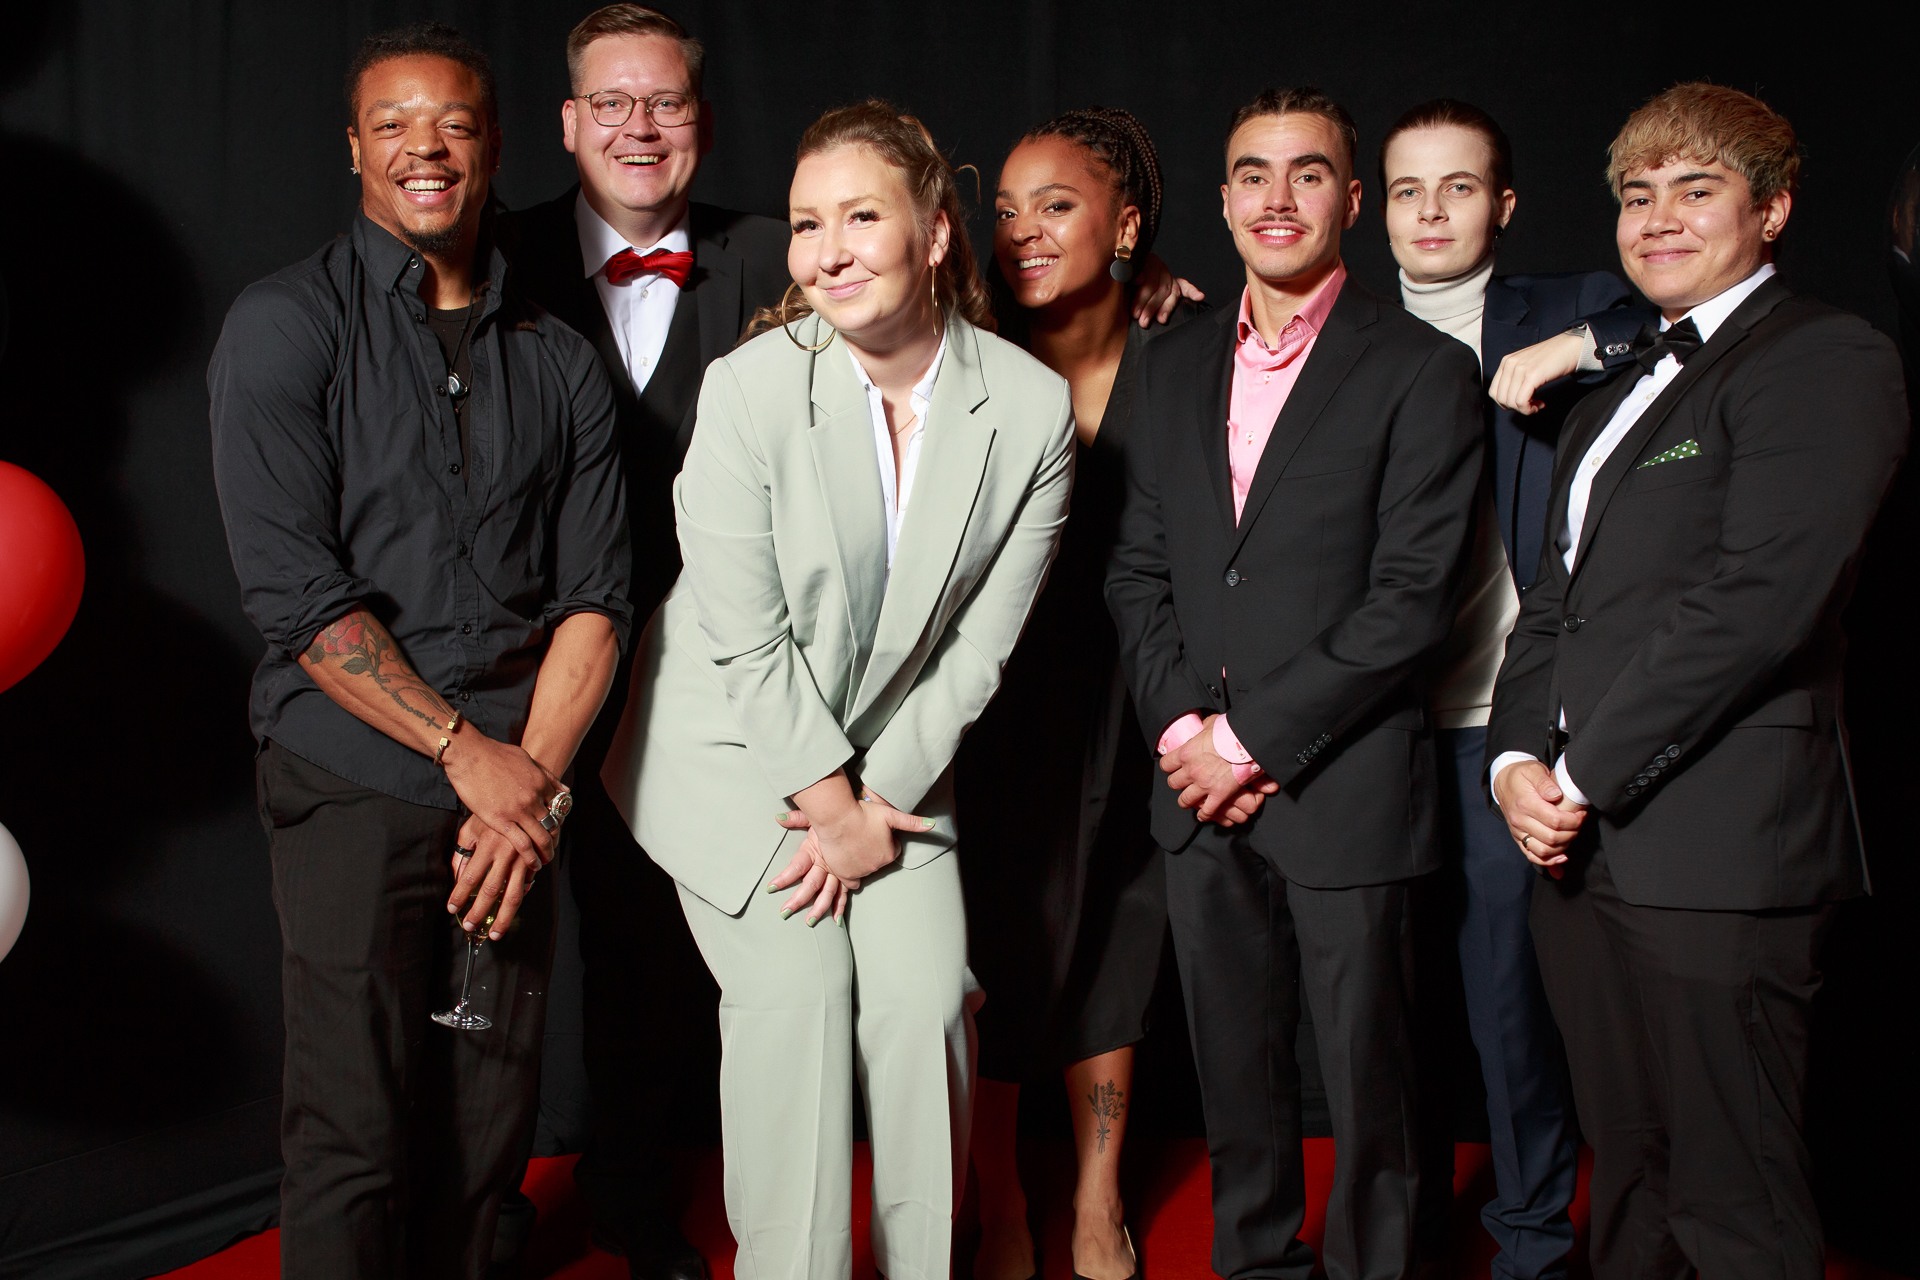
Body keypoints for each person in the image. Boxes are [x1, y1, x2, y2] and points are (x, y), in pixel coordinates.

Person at [599, 100, 1075, 1280]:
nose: (827, 250)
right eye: (807, 223)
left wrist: (876, 802)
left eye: (862, 216)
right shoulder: (750, 389)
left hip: (896, 757)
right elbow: (745, 638)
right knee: (803, 996)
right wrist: (828, 803)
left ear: (937, 230)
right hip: (731, 746)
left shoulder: (1030, 409)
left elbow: (980, 647)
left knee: (925, 1004)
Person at [208, 22, 631, 1280]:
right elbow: (299, 599)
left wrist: (529, 786)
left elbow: (598, 598)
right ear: (354, 149)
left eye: (452, 122)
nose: (424, 147)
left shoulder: (560, 359)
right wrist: (462, 752)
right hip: (354, 779)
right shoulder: (286, 324)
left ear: (493, 144)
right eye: (392, 123)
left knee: (488, 1117)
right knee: (355, 1125)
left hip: (518, 790)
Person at [1486, 84, 1907, 1280]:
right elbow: (1551, 603)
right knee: (1628, 1169)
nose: (1658, 217)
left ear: (1772, 209)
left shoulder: (1824, 357)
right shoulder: (1611, 400)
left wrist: (1580, 773)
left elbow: (1760, 602)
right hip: (1577, 857)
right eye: (1638, 195)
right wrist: (1513, 761)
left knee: (1735, 1192)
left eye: (1696, 189)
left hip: (1721, 848)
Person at [1106, 88, 1484, 1280]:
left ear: (1351, 200)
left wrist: (1247, 741)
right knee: (1236, 1077)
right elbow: (1137, 566)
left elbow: (1411, 600)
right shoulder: (1166, 363)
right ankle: (1258, 1264)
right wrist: (1183, 726)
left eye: (1308, 173)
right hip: (1195, 787)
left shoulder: (1421, 368)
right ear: (1223, 200)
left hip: (1347, 787)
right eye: (1253, 175)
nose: (1278, 198)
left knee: (1376, 1086)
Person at [496, 9, 790, 1276]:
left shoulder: (778, 252)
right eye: (611, 103)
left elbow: (930, 290)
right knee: (491, 941)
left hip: (695, 679)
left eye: (664, 102)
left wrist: (1141, 288)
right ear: (569, 123)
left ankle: (632, 1195)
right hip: (509, 669)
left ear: (701, 124)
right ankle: (482, 1211)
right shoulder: (492, 252)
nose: (639, 127)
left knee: (648, 956)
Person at [1376, 98, 1645, 1280]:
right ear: (1376, 207)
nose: (1431, 212)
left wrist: (1574, 348)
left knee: (1508, 1009)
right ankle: (1402, 1234)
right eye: (1408, 189)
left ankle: (1530, 1243)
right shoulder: (1344, 328)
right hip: (1372, 729)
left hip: (1501, 725)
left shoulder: (1569, 303)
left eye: (1460, 186)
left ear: (1505, 203)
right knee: (1388, 1012)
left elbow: (1670, 319)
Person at [959, 107, 1189, 1280]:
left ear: (1128, 226)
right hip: (995, 704)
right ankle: (998, 1190)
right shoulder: (965, 353)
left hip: (1143, 696)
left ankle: (1099, 1191)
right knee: (997, 941)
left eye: (1057, 205)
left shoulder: (1185, 355)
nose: (1023, 232)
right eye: (1006, 210)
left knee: (1122, 931)